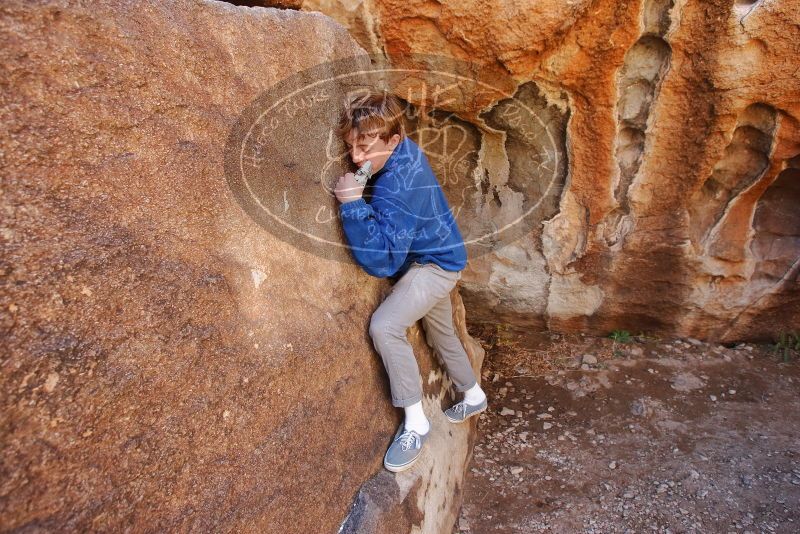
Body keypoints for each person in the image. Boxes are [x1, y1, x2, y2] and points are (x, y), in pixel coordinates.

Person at [333, 91, 488, 473]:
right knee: (442, 335)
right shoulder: (404, 149)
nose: (356, 157)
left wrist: (353, 204)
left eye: (365, 148)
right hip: (443, 256)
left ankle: (415, 425)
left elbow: (384, 261)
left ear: (393, 140)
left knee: (386, 327)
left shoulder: (396, 187)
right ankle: (473, 393)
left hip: (432, 267)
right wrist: (367, 168)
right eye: (351, 147)